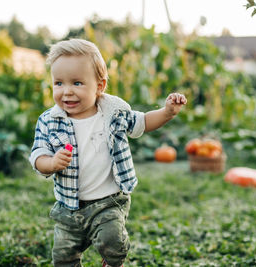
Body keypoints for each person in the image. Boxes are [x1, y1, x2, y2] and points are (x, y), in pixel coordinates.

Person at [29, 39, 187, 267]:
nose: (67, 92)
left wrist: (168, 112)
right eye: (59, 83)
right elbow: (37, 155)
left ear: (100, 86)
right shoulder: (49, 121)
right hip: (68, 206)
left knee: (113, 242)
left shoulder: (113, 113)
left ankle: (112, 262)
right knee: (63, 256)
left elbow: (142, 122)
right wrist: (51, 162)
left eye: (77, 83)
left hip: (108, 201)